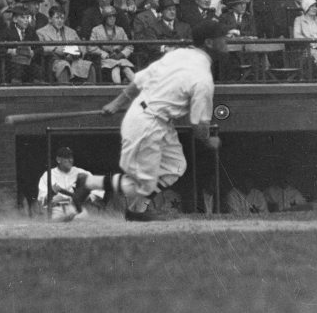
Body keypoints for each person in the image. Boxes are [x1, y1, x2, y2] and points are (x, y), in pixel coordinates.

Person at [72, 20, 227, 222]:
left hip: (154, 118)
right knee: (141, 184)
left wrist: (117, 104)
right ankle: (89, 182)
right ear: (209, 42)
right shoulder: (203, 79)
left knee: (175, 167)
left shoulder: (177, 55)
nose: (226, 42)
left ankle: (137, 210)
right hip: (147, 122)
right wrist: (209, 141)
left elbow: (139, 79)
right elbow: (199, 127)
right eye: (222, 38)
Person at [36, 146, 104, 222]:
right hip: (57, 210)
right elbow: (41, 200)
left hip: (77, 209)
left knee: (82, 220)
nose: (70, 160)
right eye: (66, 157)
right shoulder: (48, 175)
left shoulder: (81, 173)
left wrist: (85, 197)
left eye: (71, 157)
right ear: (58, 160)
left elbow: (99, 190)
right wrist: (51, 194)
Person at [37, 5, 90, 84]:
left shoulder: (71, 32)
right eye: (57, 18)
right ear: (50, 19)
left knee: (87, 65)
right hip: (55, 60)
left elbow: (82, 47)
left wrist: (78, 52)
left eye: (62, 18)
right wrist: (55, 49)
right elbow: (41, 48)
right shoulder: (41, 32)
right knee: (63, 66)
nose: (60, 21)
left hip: (73, 59)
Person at [87, 5, 136, 85]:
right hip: (105, 61)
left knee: (127, 70)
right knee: (115, 69)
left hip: (120, 58)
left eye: (114, 16)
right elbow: (91, 47)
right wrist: (105, 55)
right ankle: (117, 91)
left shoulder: (120, 30)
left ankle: (139, 91)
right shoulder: (96, 30)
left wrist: (121, 54)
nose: (112, 18)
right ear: (104, 18)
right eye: (109, 17)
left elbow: (129, 46)